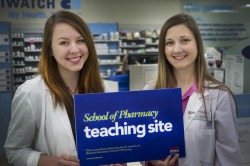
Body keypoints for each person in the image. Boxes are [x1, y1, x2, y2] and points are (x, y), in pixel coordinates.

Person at [4, 10, 126, 166]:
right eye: (64, 42)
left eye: (80, 40)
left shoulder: (106, 88)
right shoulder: (30, 93)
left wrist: (118, 158)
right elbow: (14, 152)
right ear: (50, 50)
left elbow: (113, 142)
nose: (75, 50)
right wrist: (52, 162)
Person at [143, 13, 241, 166]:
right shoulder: (149, 91)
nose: (177, 49)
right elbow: (143, 145)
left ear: (197, 44)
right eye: (169, 43)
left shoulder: (219, 96)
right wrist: (153, 161)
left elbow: (229, 160)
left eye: (185, 40)